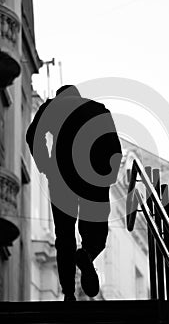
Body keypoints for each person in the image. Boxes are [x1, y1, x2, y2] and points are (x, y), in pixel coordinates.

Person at [26, 85, 122, 301]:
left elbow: (32, 135)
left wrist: (46, 166)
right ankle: (87, 253)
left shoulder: (52, 107)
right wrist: (109, 175)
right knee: (96, 230)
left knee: (64, 234)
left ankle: (68, 292)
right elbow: (114, 147)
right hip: (93, 174)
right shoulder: (97, 109)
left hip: (61, 176)